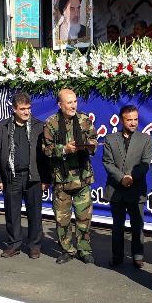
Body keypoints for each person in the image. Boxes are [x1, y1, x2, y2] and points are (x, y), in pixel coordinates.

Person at [0, 92, 50, 259]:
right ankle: (14, 245)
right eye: (22, 109)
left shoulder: (39, 127)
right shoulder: (2, 128)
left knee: (35, 213)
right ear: (14, 109)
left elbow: (46, 156)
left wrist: (46, 179)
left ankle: (34, 246)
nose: (26, 112)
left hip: (34, 177)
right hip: (12, 177)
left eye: (28, 108)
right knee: (12, 213)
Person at [43, 88, 97, 264]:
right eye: (69, 102)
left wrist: (87, 145)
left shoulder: (84, 120)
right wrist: (64, 149)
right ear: (60, 104)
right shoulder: (51, 123)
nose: (73, 106)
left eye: (75, 102)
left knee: (84, 218)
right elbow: (46, 150)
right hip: (62, 180)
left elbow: (94, 141)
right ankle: (67, 250)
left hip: (82, 178)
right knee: (62, 219)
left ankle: (84, 249)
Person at [102, 104, 152, 268]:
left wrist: (132, 177)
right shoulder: (110, 139)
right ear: (121, 120)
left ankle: (138, 255)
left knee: (137, 225)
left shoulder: (145, 139)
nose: (133, 123)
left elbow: (145, 163)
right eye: (129, 120)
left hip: (136, 190)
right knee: (118, 226)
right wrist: (121, 178)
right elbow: (107, 163)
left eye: (135, 119)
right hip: (116, 189)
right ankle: (117, 256)